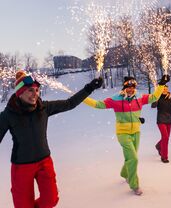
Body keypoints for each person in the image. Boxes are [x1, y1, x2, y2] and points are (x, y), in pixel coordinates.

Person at [0, 70, 103, 207]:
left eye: (37, 90)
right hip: (21, 166)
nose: (35, 94)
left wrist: (89, 88)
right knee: (23, 205)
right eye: (30, 90)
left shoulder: (44, 108)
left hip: (44, 162)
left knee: (51, 200)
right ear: (20, 93)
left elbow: (70, 103)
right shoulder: (8, 114)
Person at [83, 75, 170, 195]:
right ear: (124, 88)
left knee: (130, 157)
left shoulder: (140, 98)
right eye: (128, 87)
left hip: (136, 132)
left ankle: (124, 173)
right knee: (134, 158)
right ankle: (134, 185)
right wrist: (82, 97)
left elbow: (154, 96)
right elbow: (98, 104)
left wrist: (161, 85)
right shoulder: (116, 99)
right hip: (123, 133)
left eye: (132, 87)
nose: (130, 89)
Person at [151, 85, 171, 163]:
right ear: (161, 90)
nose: (165, 90)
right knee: (165, 137)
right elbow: (153, 106)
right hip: (161, 120)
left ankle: (159, 146)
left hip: (169, 120)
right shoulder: (158, 97)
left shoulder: (170, 97)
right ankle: (164, 157)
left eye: (166, 89)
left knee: (166, 137)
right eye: (163, 89)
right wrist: (156, 98)